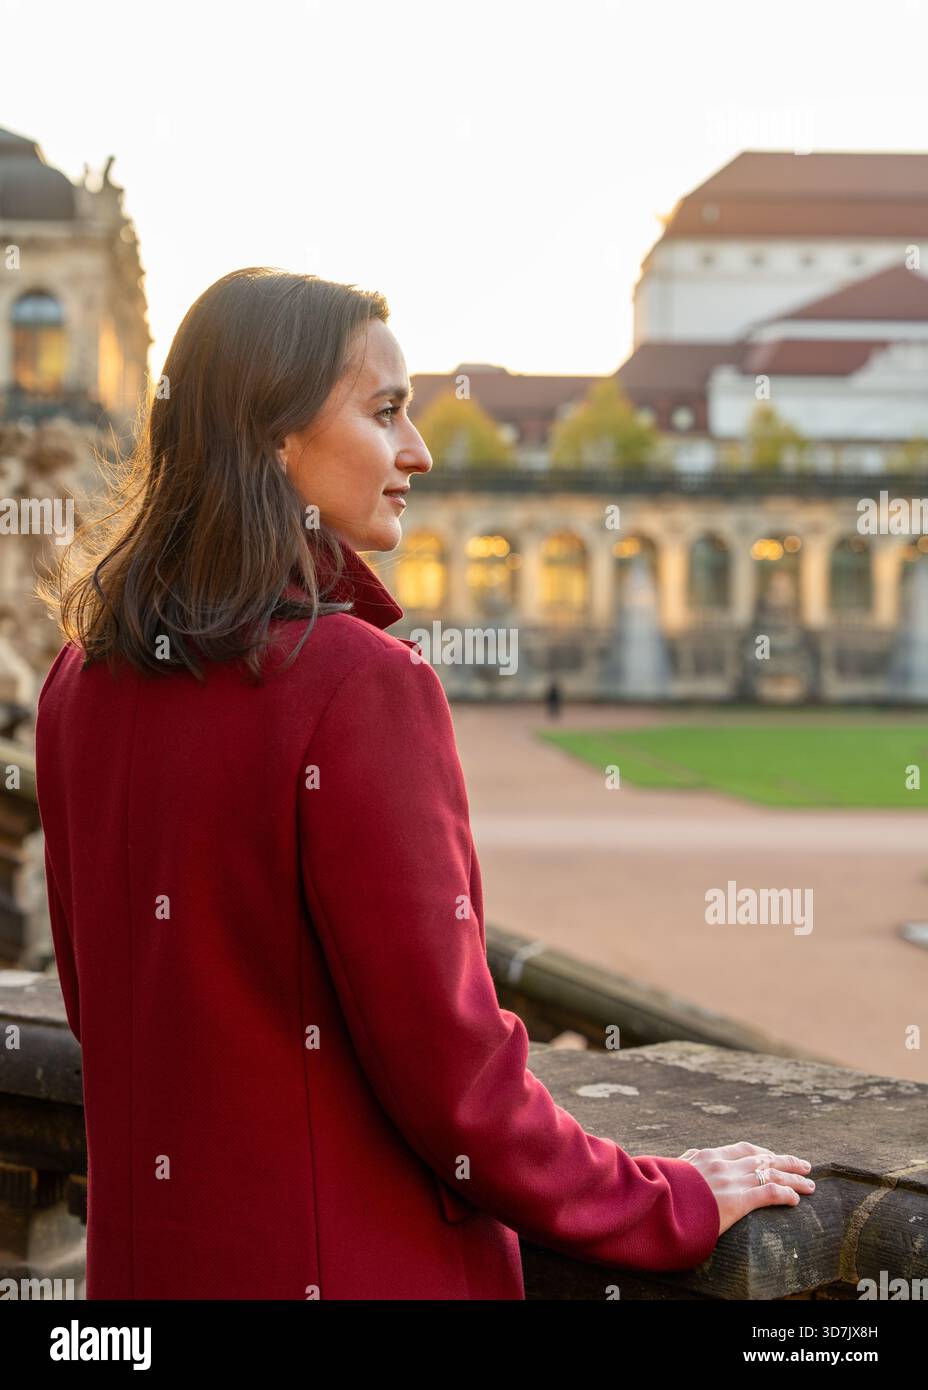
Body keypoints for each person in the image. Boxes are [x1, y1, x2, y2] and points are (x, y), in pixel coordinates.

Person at [33, 268, 815, 1300]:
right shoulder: (357, 684)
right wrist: (660, 1197)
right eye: (386, 411)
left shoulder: (80, 678)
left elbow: (105, 1010)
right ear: (274, 433)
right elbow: (456, 1081)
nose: (420, 451)